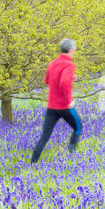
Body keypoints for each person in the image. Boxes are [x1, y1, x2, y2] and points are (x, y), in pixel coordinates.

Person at [31, 38, 82, 166]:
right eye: (74, 50)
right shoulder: (69, 65)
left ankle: (33, 163)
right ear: (70, 50)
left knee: (45, 135)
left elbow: (47, 81)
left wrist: (71, 77)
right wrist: (69, 101)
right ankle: (71, 157)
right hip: (64, 106)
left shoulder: (52, 63)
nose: (74, 52)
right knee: (78, 127)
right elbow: (64, 83)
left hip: (51, 106)